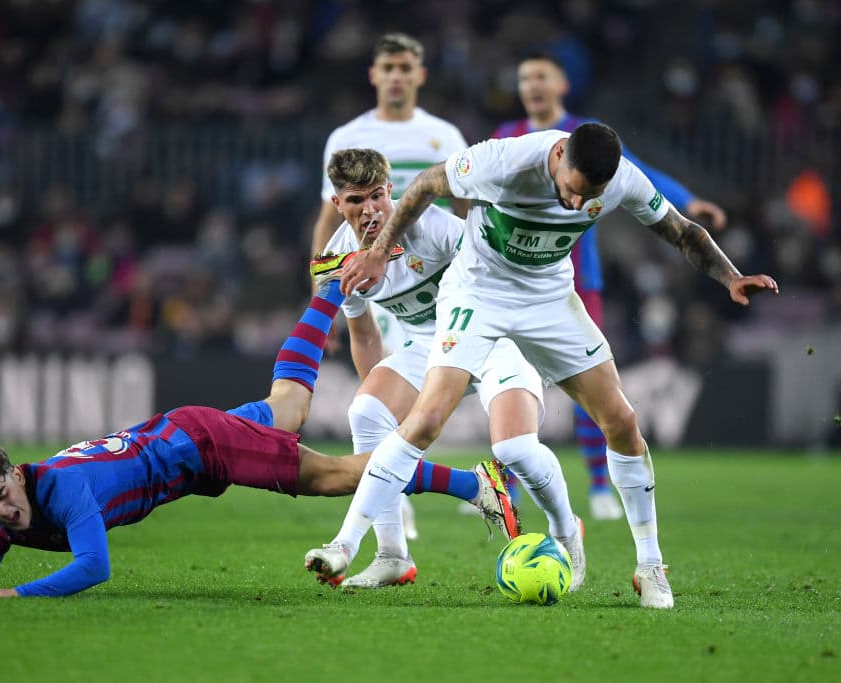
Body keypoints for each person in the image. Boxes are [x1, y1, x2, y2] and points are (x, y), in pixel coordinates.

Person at [307, 122, 778, 609]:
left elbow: (682, 231)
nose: (576, 205)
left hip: (550, 300)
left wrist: (731, 277)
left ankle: (649, 564)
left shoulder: (621, 180)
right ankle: (349, 545)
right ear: (558, 157)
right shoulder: (502, 162)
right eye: (572, 190)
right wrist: (382, 252)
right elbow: (426, 183)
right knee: (422, 421)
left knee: (619, 421)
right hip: (479, 296)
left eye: (589, 198)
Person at [0, 280, 514, 598]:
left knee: (336, 475)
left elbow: (94, 565)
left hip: (197, 445)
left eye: (1, 494)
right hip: (175, 440)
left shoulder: (59, 489)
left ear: (13, 470)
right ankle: (331, 289)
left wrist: (17, 593)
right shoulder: (3, 517)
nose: (1, 511)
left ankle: (470, 482)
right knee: (287, 405)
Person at [312, 147, 582, 589]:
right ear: (338, 204)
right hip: (430, 346)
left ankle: (566, 529)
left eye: (377, 195)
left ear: (390, 191)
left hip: (497, 336)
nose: (371, 209)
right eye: (356, 200)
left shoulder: (432, 226)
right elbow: (363, 336)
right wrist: (388, 418)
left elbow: (497, 271)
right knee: (365, 413)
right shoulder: (340, 258)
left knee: (515, 449)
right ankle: (392, 554)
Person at [491, 52, 729, 521]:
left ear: (562, 85)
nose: (532, 86)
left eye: (541, 77)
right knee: (512, 383)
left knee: (590, 384)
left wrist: (687, 200)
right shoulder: (507, 138)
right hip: (515, 283)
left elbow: (641, 175)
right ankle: (509, 491)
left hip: (580, 280)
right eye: (524, 79)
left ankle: (599, 485)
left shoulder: (589, 138)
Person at [310, 32, 470, 543]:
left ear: (419, 75)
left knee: (460, 393)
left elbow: (464, 207)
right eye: (388, 67)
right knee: (374, 405)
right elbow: (327, 219)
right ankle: (392, 512)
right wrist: (323, 294)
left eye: (406, 67)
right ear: (374, 74)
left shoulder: (443, 135)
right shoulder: (344, 137)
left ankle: (515, 487)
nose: (397, 76)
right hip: (380, 286)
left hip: (436, 267)